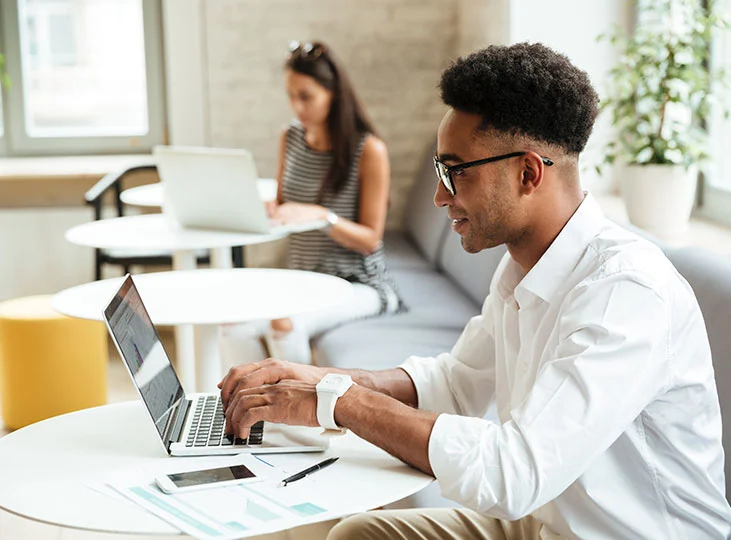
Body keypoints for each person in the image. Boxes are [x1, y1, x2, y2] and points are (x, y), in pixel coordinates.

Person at [218, 42, 731, 539]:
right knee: (361, 533)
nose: (440, 196)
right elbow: (458, 384)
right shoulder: (519, 268)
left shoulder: (627, 293)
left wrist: (341, 402)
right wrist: (307, 380)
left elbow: (513, 473)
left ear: (528, 172)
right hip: (546, 522)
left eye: (454, 172)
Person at [222, 40, 400, 367]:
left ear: (333, 94)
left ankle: (296, 419)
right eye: (291, 96)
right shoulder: (289, 138)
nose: (297, 107)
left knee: (284, 323)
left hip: (358, 284)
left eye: (306, 96)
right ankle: (249, 414)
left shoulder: (369, 150)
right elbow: (282, 204)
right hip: (304, 279)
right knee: (232, 323)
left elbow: (370, 239)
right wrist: (262, 208)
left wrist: (322, 216)